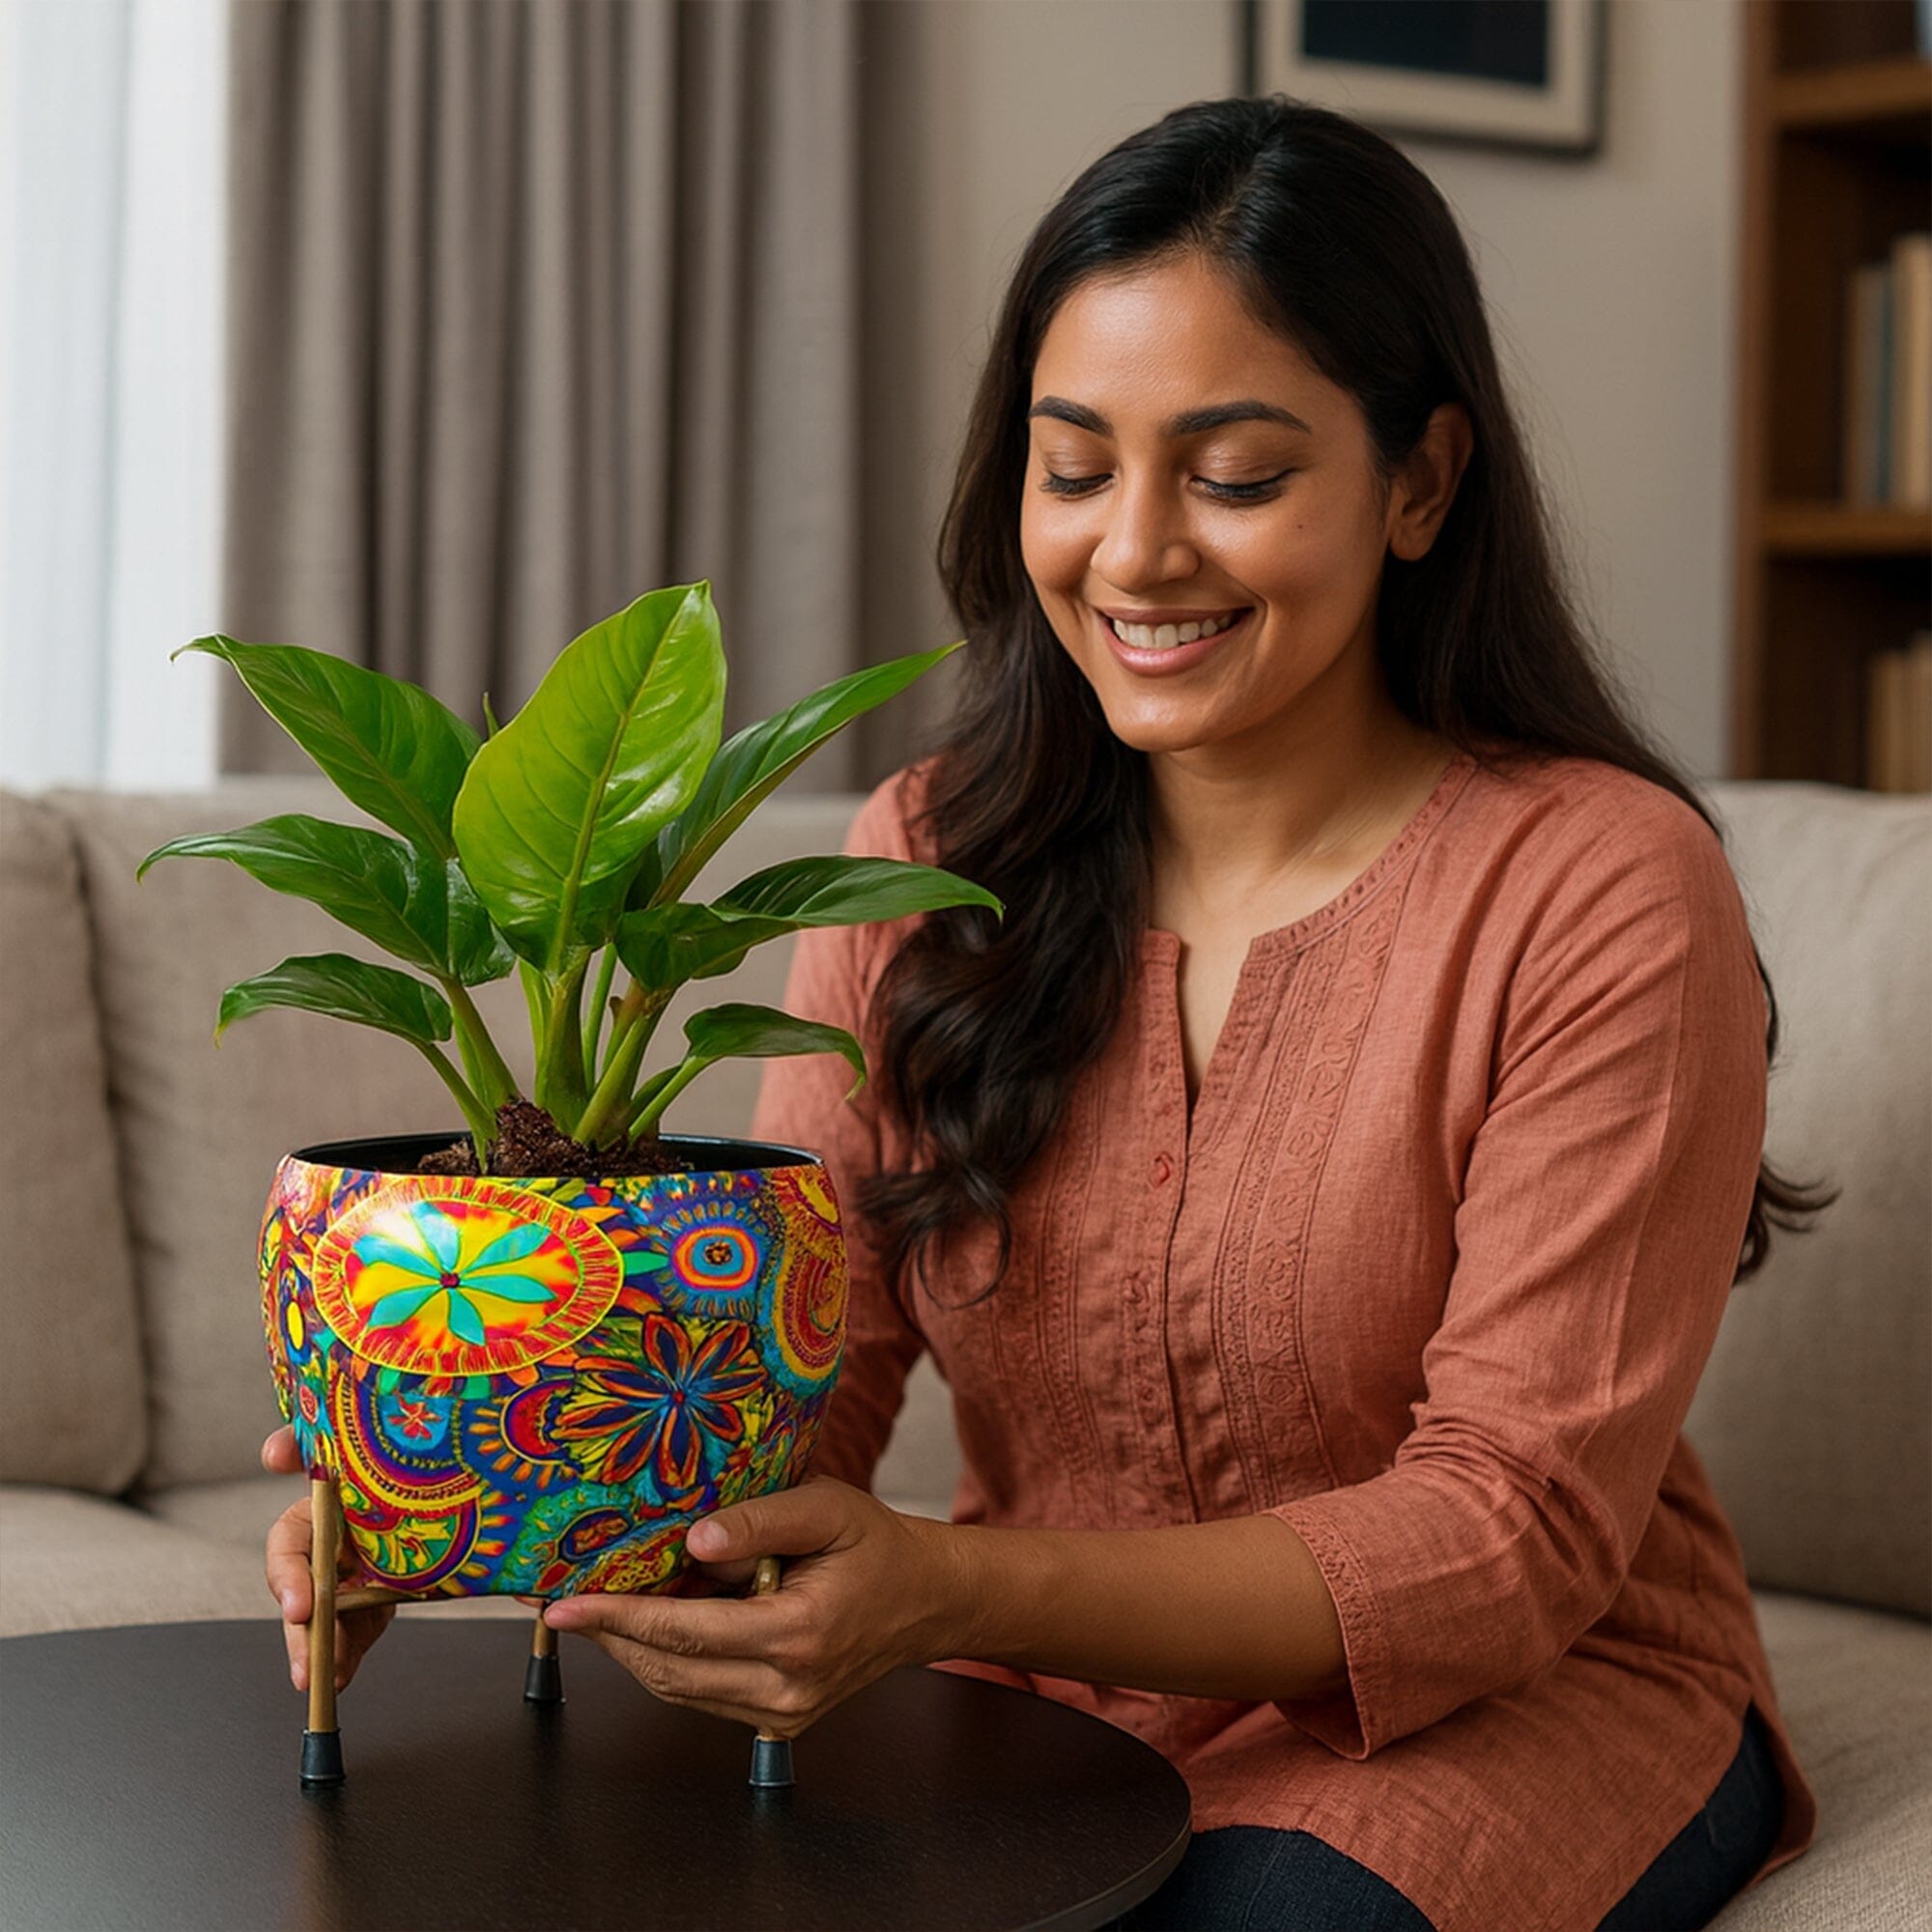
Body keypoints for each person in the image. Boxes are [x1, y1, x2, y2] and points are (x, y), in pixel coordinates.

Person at [265, 97, 1827, 1931]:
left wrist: (953, 1593)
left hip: (1519, 1700)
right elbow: (801, 1366)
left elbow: (1509, 1537)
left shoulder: (1601, 884)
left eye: (1234, 477)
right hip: (1037, 1694)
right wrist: (467, 1493)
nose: (1134, 554)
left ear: (1420, 482)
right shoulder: (923, 858)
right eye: (1074, 469)